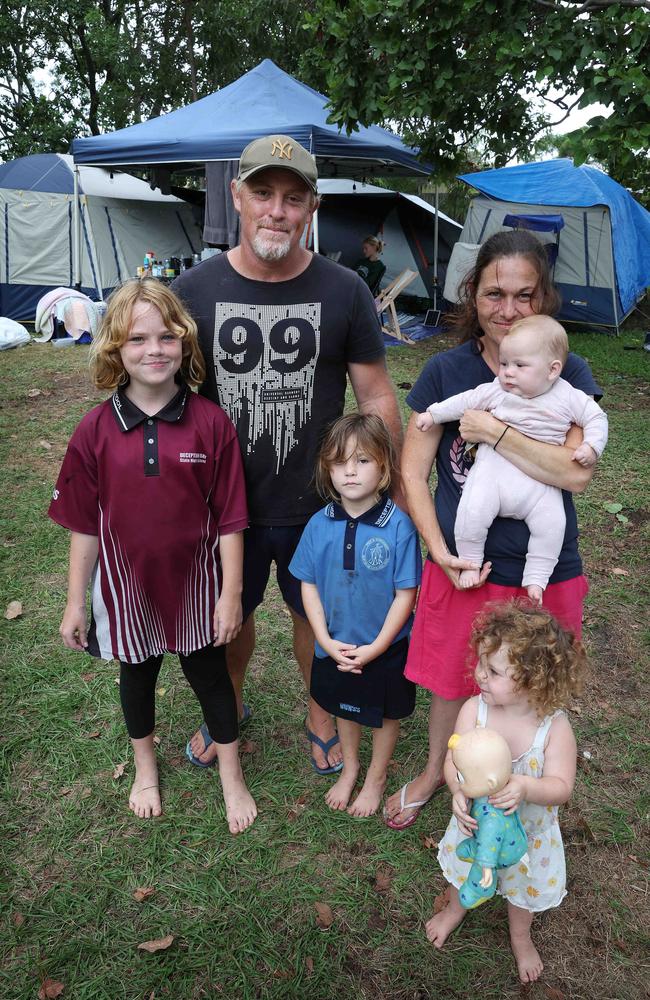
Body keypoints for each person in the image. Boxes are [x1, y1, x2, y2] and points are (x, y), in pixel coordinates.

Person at [172, 134, 403, 774]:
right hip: (226, 504)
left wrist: (391, 487)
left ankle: (320, 710)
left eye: (294, 198)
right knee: (231, 615)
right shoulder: (191, 291)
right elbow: (169, 399)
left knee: (315, 613)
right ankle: (231, 705)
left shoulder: (345, 289)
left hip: (322, 500)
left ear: (312, 208)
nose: (278, 211)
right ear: (237, 197)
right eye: (265, 194)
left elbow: (376, 391)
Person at [382, 229, 602, 830]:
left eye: (525, 296)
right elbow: (413, 469)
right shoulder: (446, 370)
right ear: (472, 294)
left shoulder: (566, 372)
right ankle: (436, 771)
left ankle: (525, 782)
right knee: (455, 679)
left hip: (543, 569)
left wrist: (495, 432)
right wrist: (438, 548)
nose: (508, 310)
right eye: (493, 294)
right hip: (463, 563)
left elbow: (574, 475)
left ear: (544, 299)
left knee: (530, 685)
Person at [48, 279, 257, 834]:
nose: (154, 349)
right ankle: (146, 768)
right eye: (138, 339)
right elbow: (83, 526)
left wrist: (230, 594)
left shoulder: (210, 422)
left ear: (185, 343)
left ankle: (231, 775)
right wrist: (76, 604)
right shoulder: (94, 429)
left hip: (196, 586)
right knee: (136, 678)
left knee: (211, 678)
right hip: (125, 587)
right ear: (115, 348)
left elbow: (232, 518)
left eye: (167, 336)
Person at [426, 600, 586, 985]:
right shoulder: (474, 711)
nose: (479, 674)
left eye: (493, 670)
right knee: (466, 867)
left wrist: (526, 786)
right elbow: (454, 759)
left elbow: (562, 787)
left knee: (521, 889)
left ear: (533, 679)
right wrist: (457, 788)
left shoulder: (554, 729)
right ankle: (454, 908)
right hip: (476, 828)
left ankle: (520, 935)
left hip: (527, 835)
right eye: (481, 662)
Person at [416, 315, 608, 602]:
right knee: (471, 512)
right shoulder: (497, 390)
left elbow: (596, 418)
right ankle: (470, 562)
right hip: (493, 474)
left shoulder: (568, 396)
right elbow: (464, 401)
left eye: (519, 366)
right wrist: (433, 414)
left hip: (540, 486)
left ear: (553, 370)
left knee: (552, 526)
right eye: (504, 364)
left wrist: (592, 446)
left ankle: (536, 579)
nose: (507, 372)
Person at [289, 414, 421, 815]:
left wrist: (378, 647)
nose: (350, 471)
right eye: (340, 461)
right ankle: (351, 766)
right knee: (343, 706)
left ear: (384, 467)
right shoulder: (318, 524)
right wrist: (324, 640)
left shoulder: (398, 527)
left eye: (362, 460)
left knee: (384, 714)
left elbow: (406, 594)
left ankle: (376, 776)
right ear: (327, 468)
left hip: (385, 649)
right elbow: (307, 583)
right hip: (336, 644)